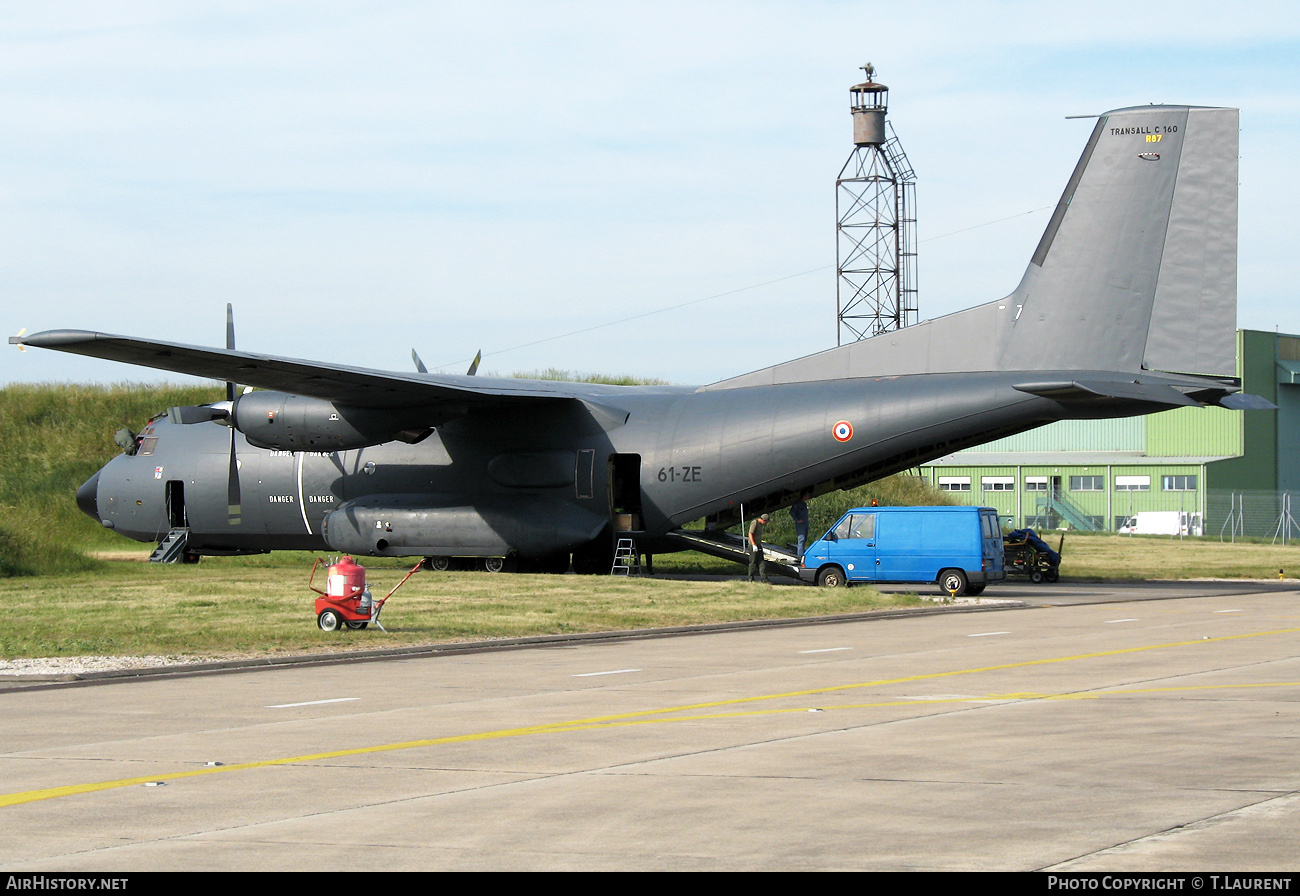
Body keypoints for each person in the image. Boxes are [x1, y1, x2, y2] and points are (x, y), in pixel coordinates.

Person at [748, 513, 770, 583]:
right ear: (763, 520)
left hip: (758, 545)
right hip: (753, 545)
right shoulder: (755, 523)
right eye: (766, 521)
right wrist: (754, 544)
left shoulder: (760, 525)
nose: (765, 523)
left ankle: (764, 579)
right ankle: (750, 579)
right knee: (753, 562)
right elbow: (750, 534)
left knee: (762, 562)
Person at [791, 491, 811, 560]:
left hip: (805, 523)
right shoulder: (798, 504)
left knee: (805, 539)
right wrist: (797, 519)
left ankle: (802, 553)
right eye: (807, 496)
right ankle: (799, 556)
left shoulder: (804, 504)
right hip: (800, 524)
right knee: (801, 539)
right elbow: (792, 512)